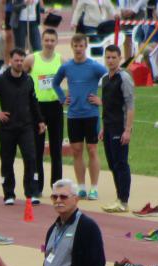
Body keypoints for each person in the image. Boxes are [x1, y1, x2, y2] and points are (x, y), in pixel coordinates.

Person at [0, 48, 44, 206]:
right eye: (17, 60)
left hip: (26, 127)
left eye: (22, 60)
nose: (20, 63)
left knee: (31, 158)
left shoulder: (28, 80)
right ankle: (9, 194)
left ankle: (32, 192)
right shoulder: (0, 80)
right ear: (10, 61)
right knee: (7, 160)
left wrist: (40, 121)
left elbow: (33, 102)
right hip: (7, 128)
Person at [52, 33, 107, 201]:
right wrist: (62, 98)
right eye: (75, 46)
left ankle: (94, 188)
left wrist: (101, 100)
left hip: (91, 114)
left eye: (81, 46)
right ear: (72, 47)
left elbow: (111, 79)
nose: (78, 49)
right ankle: (81, 187)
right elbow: (55, 82)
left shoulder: (95, 66)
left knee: (92, 150)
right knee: (77, 151)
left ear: (86, 46)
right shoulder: (67, 67)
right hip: (74, 115)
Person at [94, 45, 134, 214]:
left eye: (113, 58)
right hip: (109, 127)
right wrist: (103, 127)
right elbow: (107, 106)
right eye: (107, 57)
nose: (110, 61)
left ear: (119, 58)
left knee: (121, 163)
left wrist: (127, 130)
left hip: (120, 127)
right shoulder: (104, 79)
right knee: (112, 164)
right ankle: (119, 198)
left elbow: (130, 106)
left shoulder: (124, 78)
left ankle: (123, 201)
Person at [26, 27, 64, 199]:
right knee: (37, 148)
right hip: (37, 108)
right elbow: (21, 76)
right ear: (42, 41)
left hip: (55, 106)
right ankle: (37, 186)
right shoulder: (32, 59)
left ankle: (56, 186)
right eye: (46, 40)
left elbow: (71, 79)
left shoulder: (61, 60)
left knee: (56, 149)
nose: (49, 43)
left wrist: (66, 97)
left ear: (56, 42)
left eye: (52, 40)